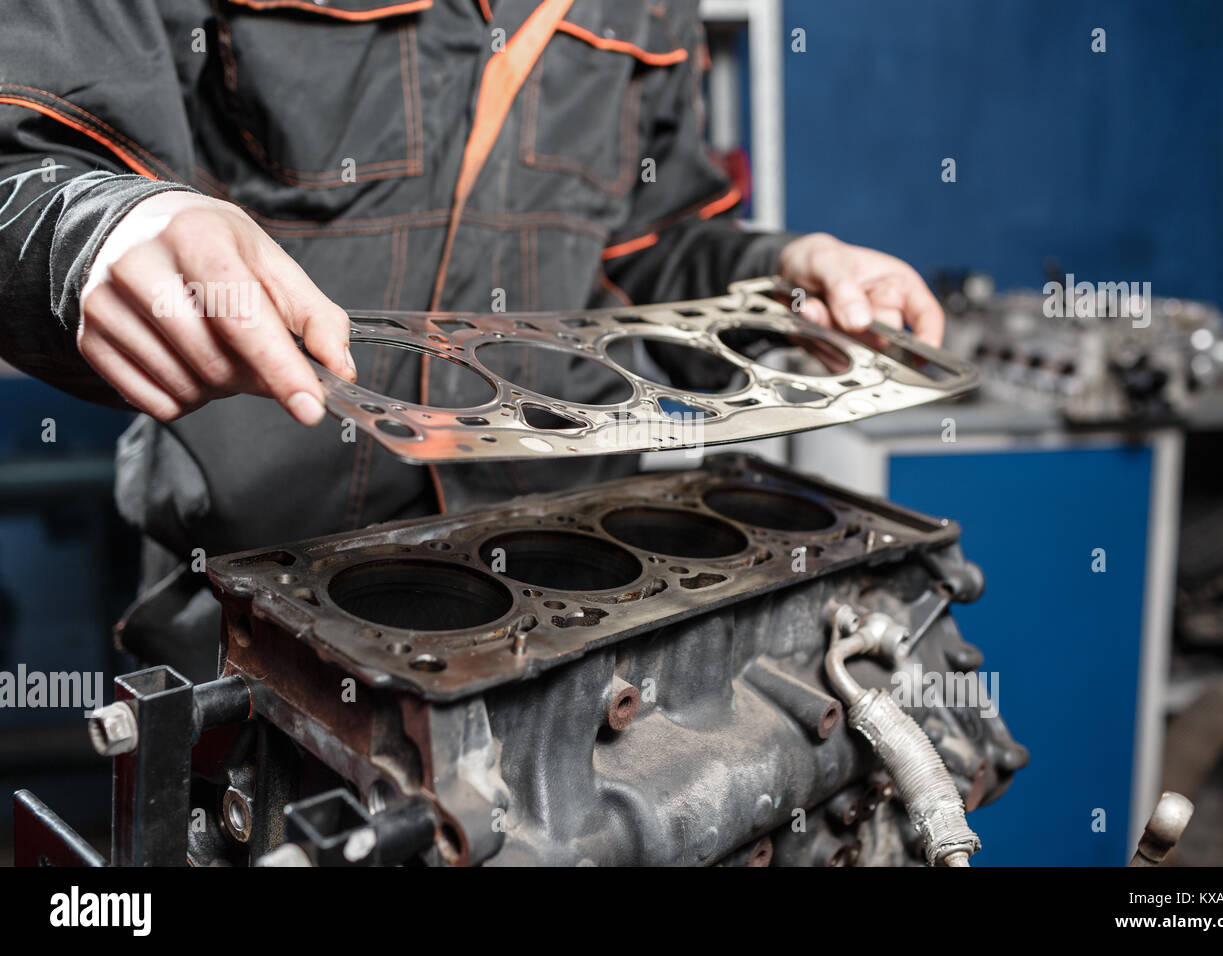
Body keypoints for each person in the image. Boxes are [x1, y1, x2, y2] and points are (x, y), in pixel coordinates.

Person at [0, 0, 944, 679]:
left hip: (572, 592)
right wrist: (101, 231)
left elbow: (643, 246)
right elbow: (27, 150)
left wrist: (785, 273)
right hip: (259, 601)